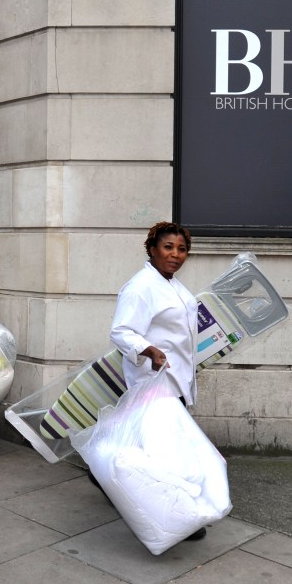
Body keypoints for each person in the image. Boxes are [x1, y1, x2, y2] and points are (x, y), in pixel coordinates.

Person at [105, 220, 206, 541]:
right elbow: (121, 331)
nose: (176, 255)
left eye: (182, 249)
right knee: (167, 452)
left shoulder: (171, 284)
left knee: (150, 447)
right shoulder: (141, 287)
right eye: (168, 247)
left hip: (175, 379)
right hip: (154, 381)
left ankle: (105, 476)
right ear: (151, 250)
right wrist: (148, 350)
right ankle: (176, 517)